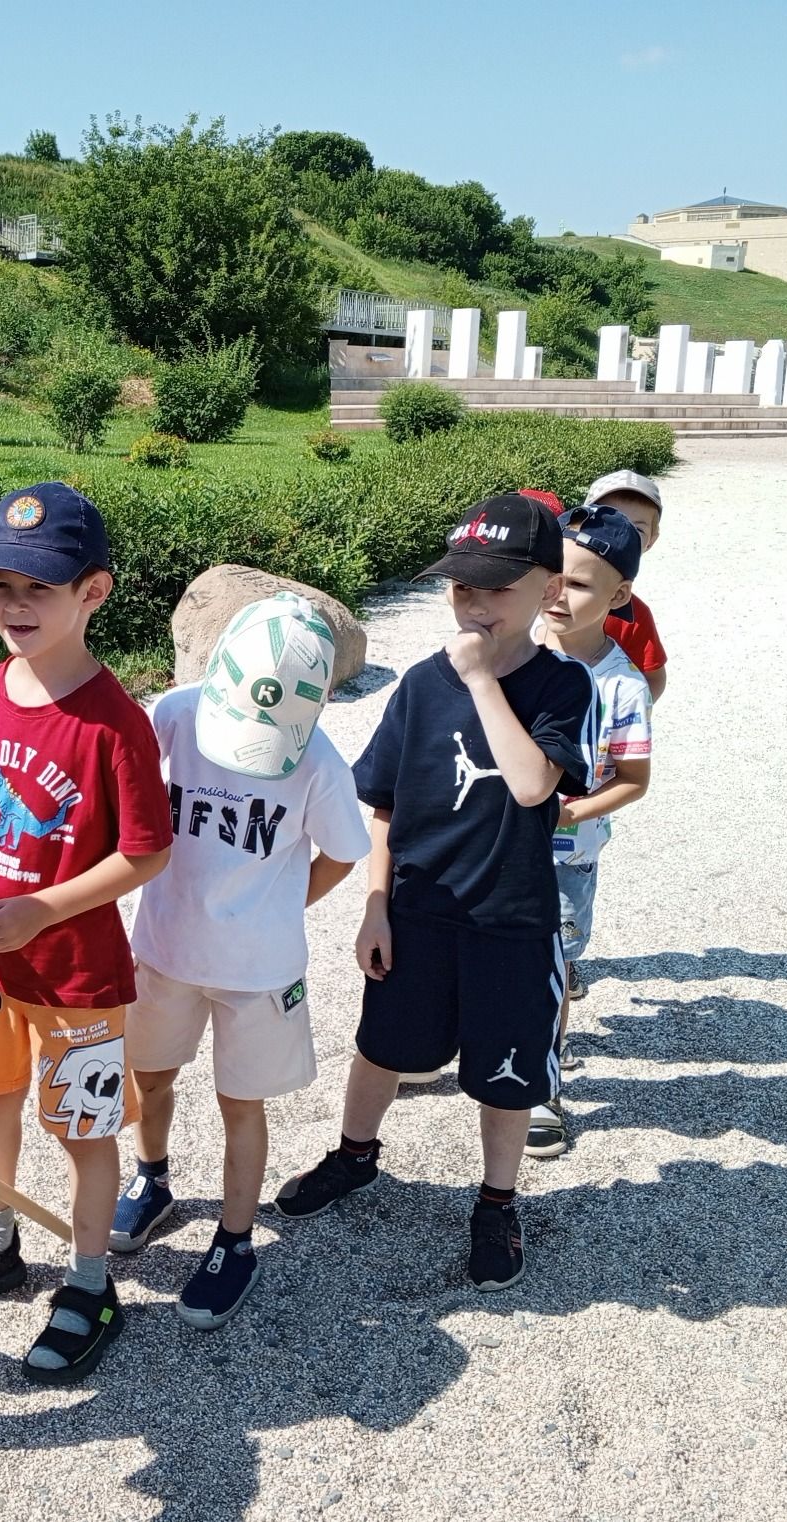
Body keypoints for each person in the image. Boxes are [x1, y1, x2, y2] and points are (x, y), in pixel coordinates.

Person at [273, 495, 597, 1292]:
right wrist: (375, 902)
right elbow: (383, 803)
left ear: (549, 589)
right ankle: (355, 1156)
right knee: (383, 1045)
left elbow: (531, 787)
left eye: (495, 588)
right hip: (418, 907)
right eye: (460, 589)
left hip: (511, 921)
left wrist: (485, 682)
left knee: (506, 1075)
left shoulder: (563, 687)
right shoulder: (420, 685)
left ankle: (496, 1200)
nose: (474, 604)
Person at [0, 482, 173, 1385]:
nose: (15, 607)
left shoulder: (117, 723)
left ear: (92, 593)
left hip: (76, 976)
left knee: (84, 1131)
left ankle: (93, 1279)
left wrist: (43, 909)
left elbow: (145, 854)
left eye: (39, 588)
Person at [114, 594, 371, 1327]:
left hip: (258, 969)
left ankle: (235, 1239)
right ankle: (153, 1177)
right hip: (164, 947)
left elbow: (346, 854)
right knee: (149, 1074)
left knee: (241, 1103)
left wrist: (284, 905)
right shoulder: (175, 713)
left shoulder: (317, 759)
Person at [527, 504, 652, 1157]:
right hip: (492, 846)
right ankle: (435, 1049)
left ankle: (543, 1086)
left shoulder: (622, 688)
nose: (557, 593)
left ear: (620, 593)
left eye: (580, 583)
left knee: (550, 970)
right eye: (553, 576)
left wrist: (570, 812)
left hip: (567, 855)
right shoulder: (510, 654)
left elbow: (634, 778)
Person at [582, 469, 668, 703]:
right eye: (609, 518)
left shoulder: (635, 615)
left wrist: (629, 715)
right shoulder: (550, 588)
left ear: (651, 540)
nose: (621, 533)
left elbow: (654, 676)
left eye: (638, 529)